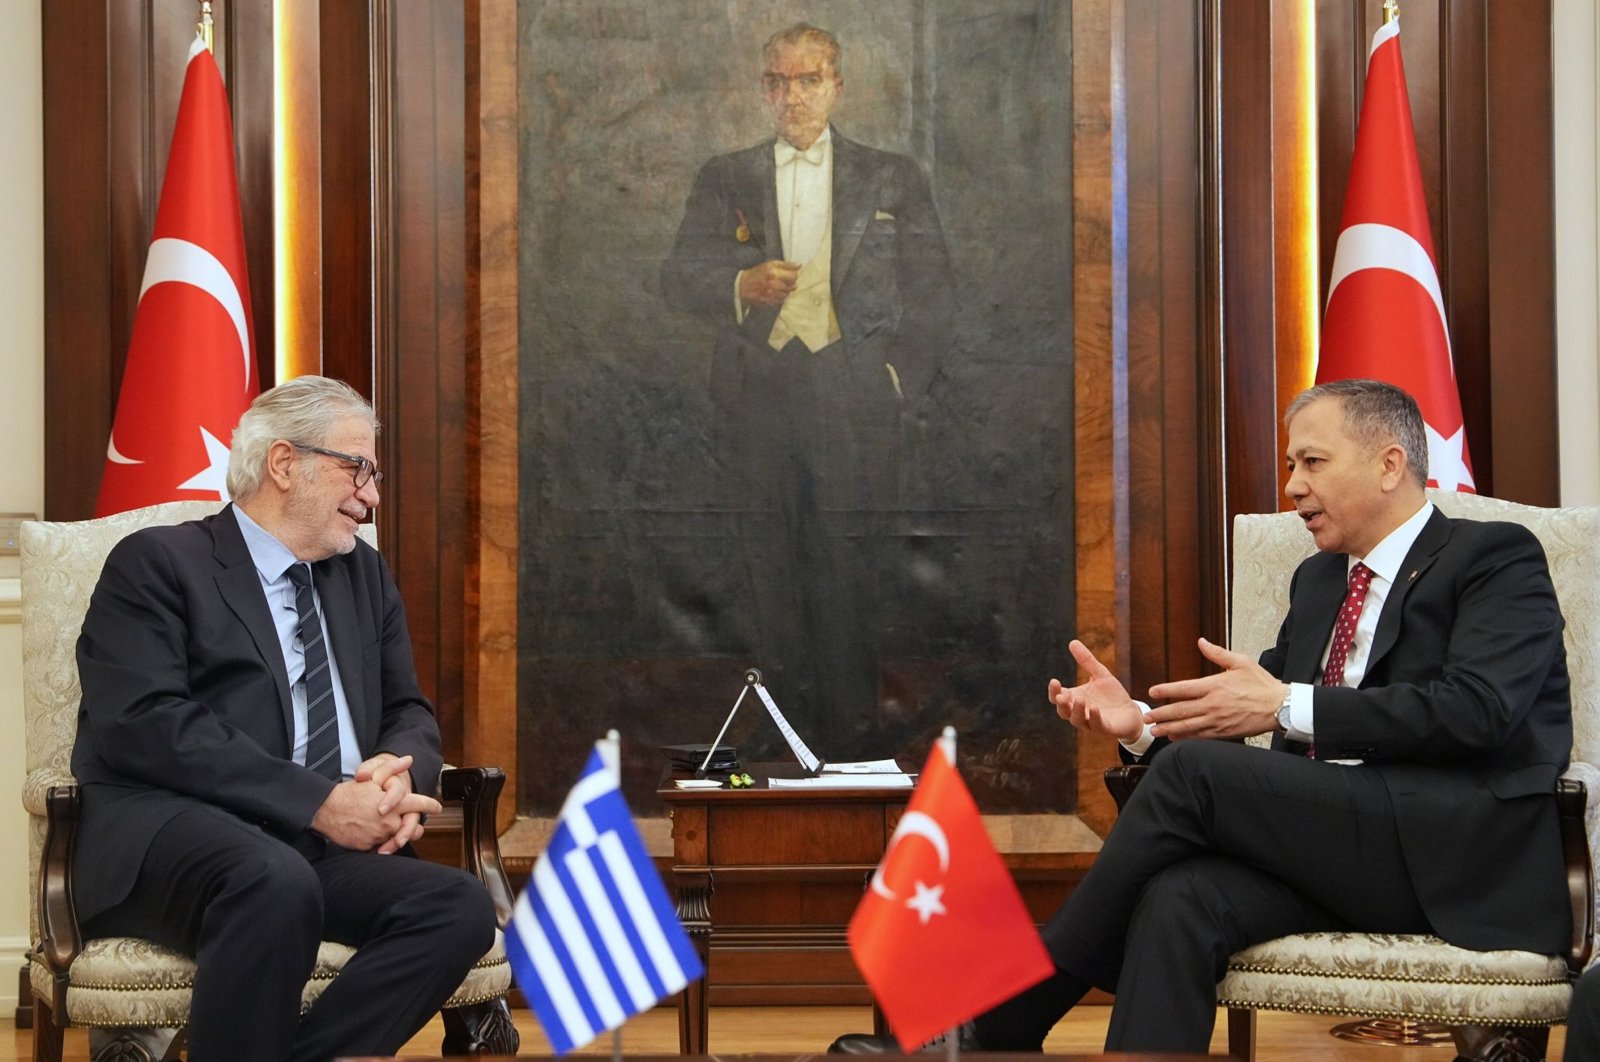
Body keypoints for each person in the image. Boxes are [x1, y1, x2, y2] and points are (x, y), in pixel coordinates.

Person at [831, 378, 1571, 1053]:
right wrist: (1142, 727)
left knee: (1194, 776)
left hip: (1453, 856)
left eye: (1313, 463)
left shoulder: (1494, 558)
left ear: (1388, 464)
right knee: (1180, 898)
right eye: (1291, 465)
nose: (1292, 485)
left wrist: (1282, 703)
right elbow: (1257, 706)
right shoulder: (1320, 582)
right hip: (1337, 847)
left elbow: (1480, 713)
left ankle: (1005, 1017)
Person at [71, 376, 496, 1062]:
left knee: (457, 907)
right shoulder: (158, 563)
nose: (373, 496)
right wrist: (321, 801)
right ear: (283, 463)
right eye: (357, 469)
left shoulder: (364, 575)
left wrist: (396, 770)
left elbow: (406, 708)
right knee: (271, 878)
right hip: (174, 837)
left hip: (313, 851)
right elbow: (144, 722)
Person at [659, 22, 954, 745]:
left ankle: (852, 739)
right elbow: (676, 278)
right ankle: (778, 742)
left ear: (837, 86)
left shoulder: (892, 176)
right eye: (779, 82)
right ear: (764, 89)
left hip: (852, 401)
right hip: (756, 398)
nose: (793, 96)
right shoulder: (724, 176)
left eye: (809, 79)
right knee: (767, 568)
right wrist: (738, 283)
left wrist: (890, 380)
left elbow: (936, 292)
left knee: (847, 569)